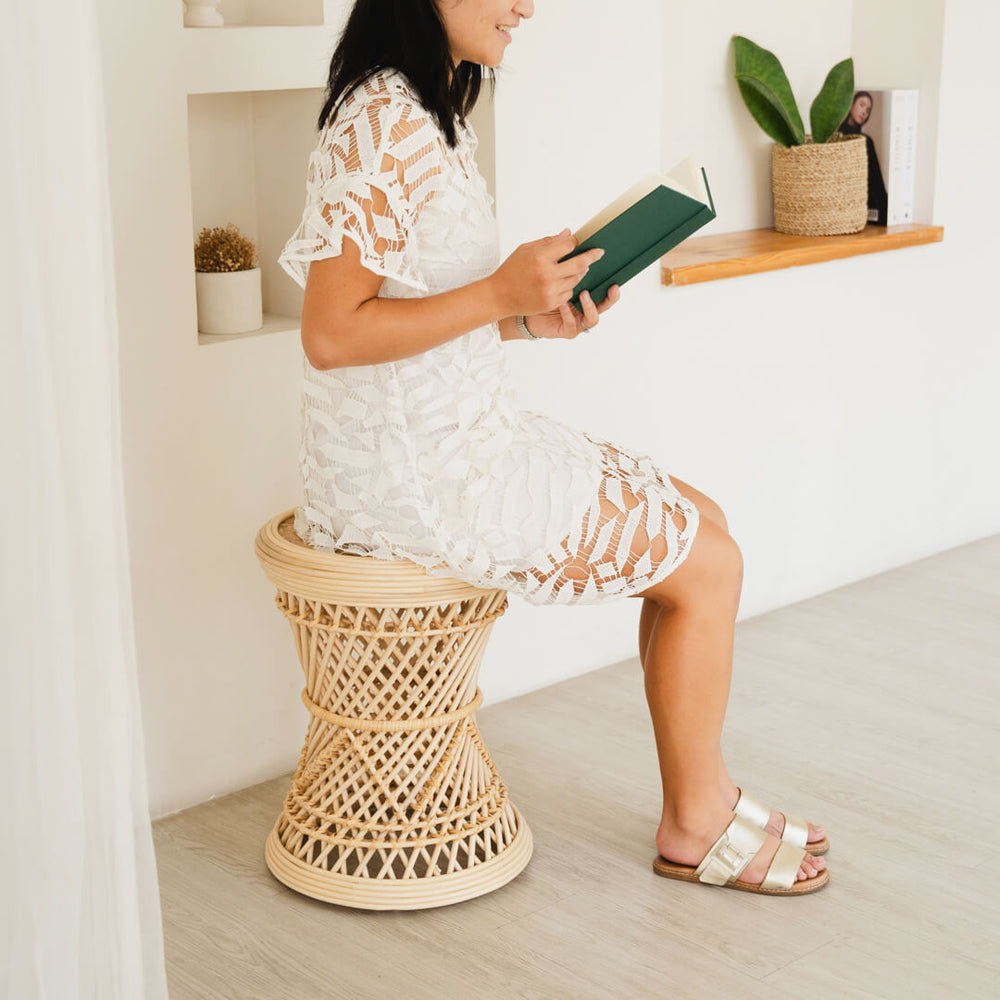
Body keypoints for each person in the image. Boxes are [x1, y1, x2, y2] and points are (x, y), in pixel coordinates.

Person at [277, 0, 829, 896]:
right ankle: (698, 819)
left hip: (457, 436)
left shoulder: (427, 109)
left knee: (706, 527)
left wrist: (530, 321)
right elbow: (333, 335)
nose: (525, 4)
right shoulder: (381, 119)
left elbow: (419, 321)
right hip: (421, 479)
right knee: (712, 565)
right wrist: (501, 291)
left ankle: (705, 795)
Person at [839, 90, 888, 225]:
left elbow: (876, 181)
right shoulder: (835, 136)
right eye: (861, 105)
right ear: (850, 105)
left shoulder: (866, 141)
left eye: (868, 109)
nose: (864, 112)